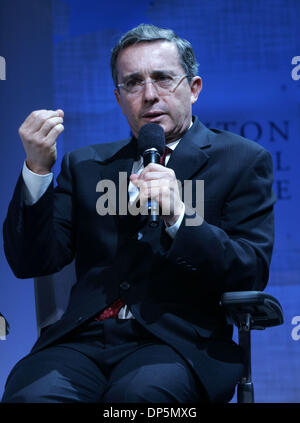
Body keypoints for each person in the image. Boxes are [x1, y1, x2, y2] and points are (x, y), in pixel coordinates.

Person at [2, 24, 275, 403]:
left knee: (139, 402)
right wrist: (37, 170)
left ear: (193, 88)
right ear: (118, 98)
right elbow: (30, 260)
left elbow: (250, 269)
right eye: (133, 83)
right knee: (32, 398)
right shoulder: (87, 166)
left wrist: (180, 217)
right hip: (81, 343)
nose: (149, 95)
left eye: (163, 79)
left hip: (178, 344)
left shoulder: (241, 161)